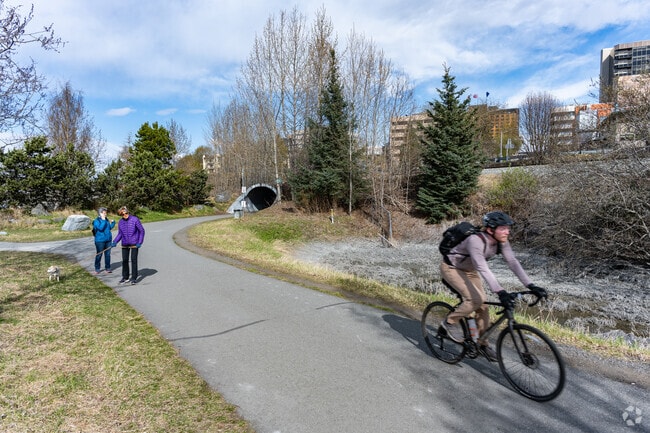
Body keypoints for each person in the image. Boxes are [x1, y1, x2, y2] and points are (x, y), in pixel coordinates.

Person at [439, 211, 547, 362]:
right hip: (452, 268)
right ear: (490, 229)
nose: (507, 231)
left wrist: (531, 285)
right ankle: (449, 322)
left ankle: (482, 344)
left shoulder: (502, 242)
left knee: (483, 306)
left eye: (508, 228)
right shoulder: (475, 241)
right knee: (476, 299)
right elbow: (482, 267)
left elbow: (513, 262)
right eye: (503, 228)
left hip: (469, 271)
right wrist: (500, 292)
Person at [111, 206, 145, 285]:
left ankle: (134, 278)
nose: (125, 215)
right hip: (125, 243)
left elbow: (142, 231)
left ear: (128, 212)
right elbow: (120, 234)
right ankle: (125, 277)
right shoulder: (120, 222)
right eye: (122, 214)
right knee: (125, 261)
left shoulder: (135, 219)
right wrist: (115, 241)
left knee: (133, 260)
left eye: (126, 213)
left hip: (134, 243)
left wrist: (140, 242)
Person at [92, 207, 116, 274]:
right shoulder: (96, 221)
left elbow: (109, 228)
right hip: (100, 241)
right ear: (100, 213)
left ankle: (108, 268)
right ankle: (97, 269)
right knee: (99, 255)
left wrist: (113, 223)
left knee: (108, 255)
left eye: (106, 213)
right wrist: (103, 220)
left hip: (108, 240)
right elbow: (101, 228)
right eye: (104, 213)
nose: (105, 214)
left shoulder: (106, 220)